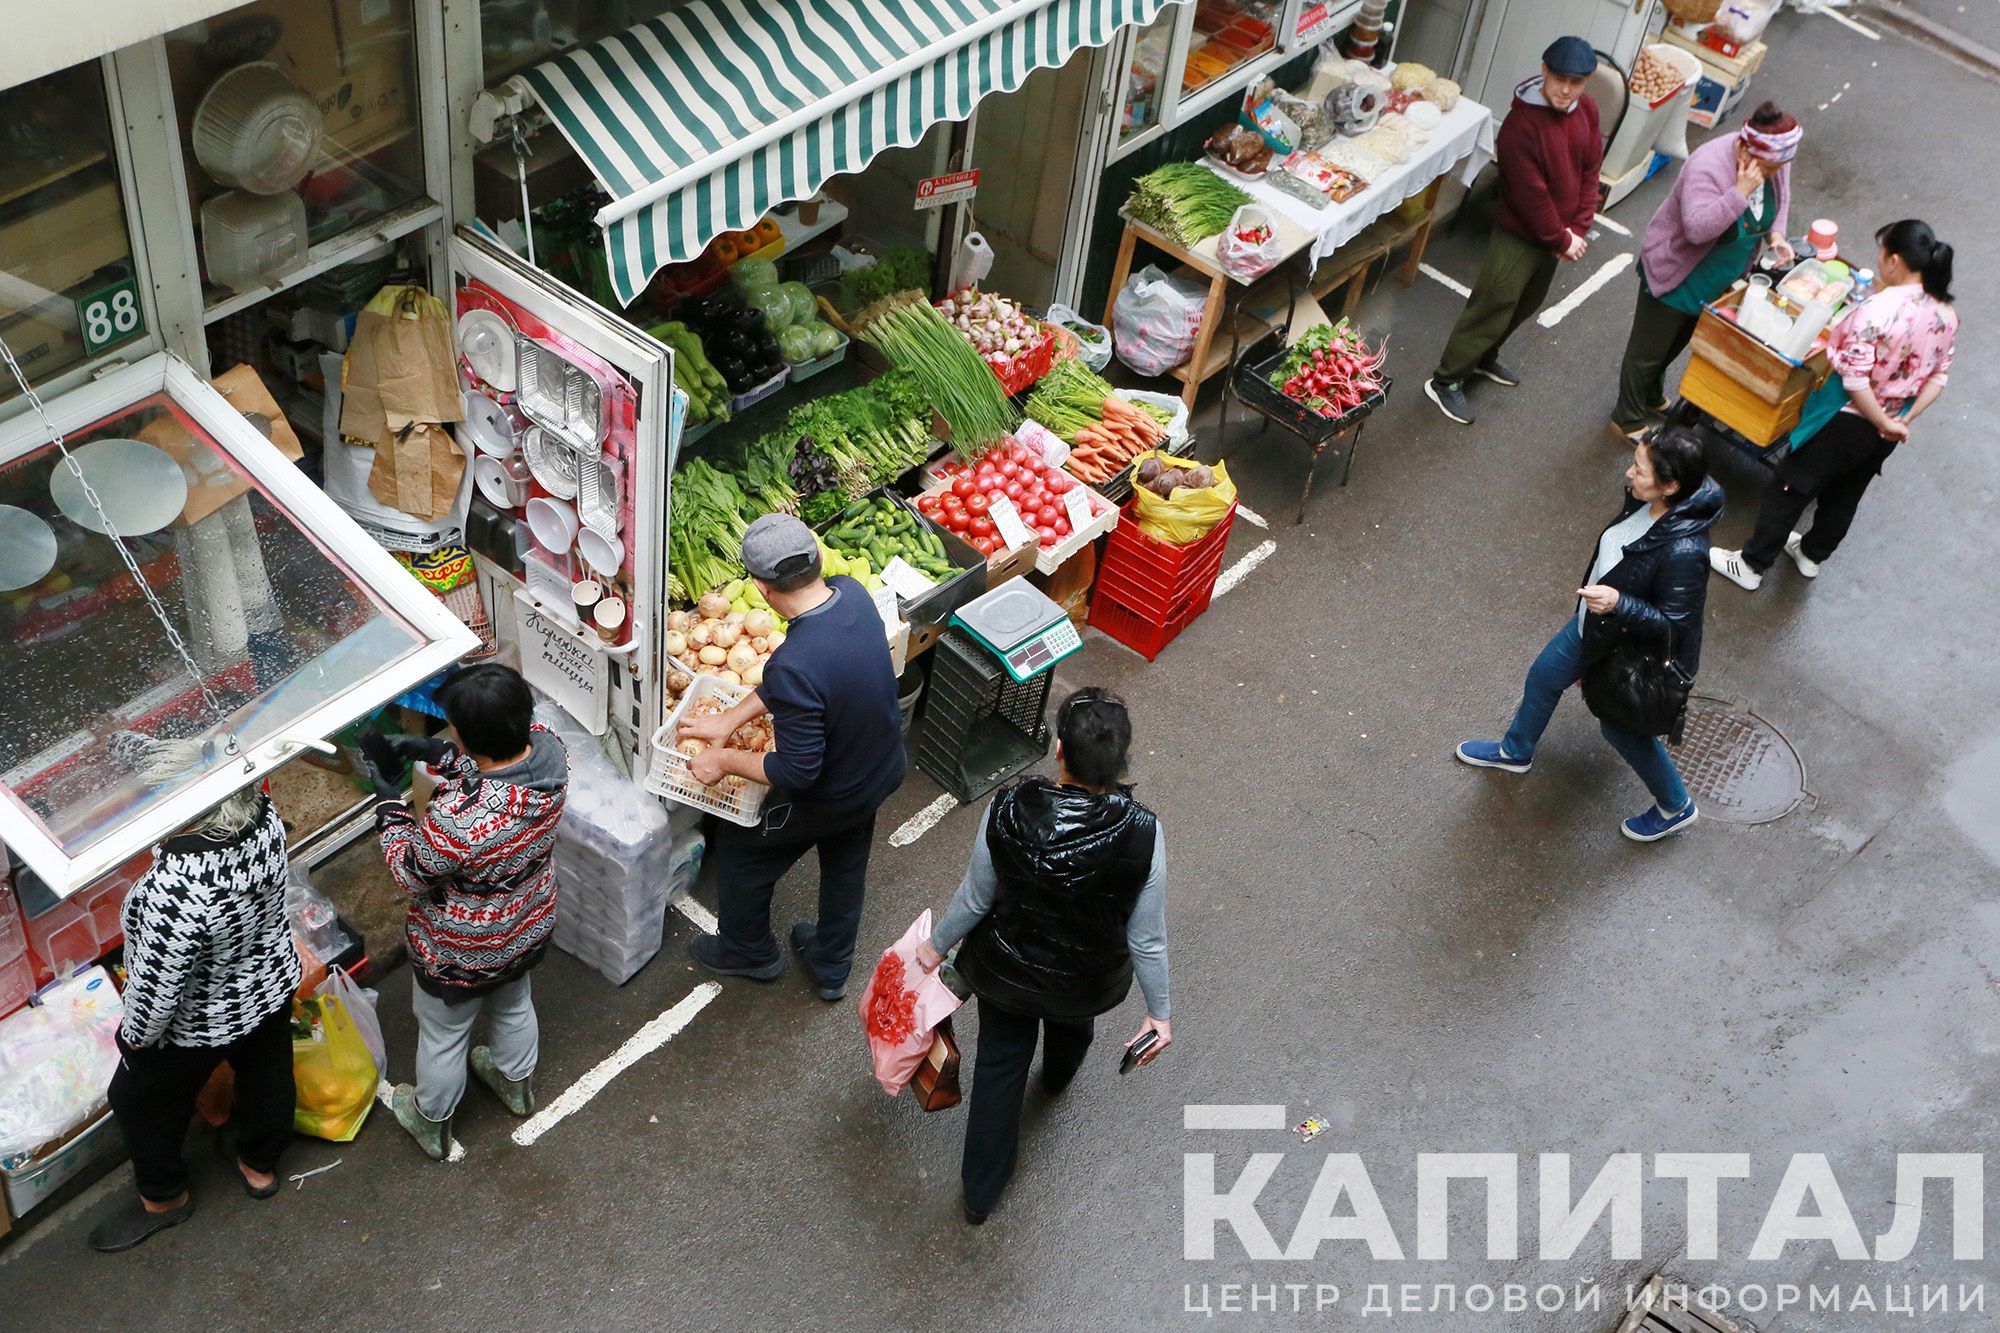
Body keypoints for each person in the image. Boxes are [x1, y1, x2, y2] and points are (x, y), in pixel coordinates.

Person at [914, 688, 1171, 1225]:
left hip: (1003, 971)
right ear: (1122, 761)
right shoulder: (1145, 833)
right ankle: (1057, 1076)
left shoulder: (1007, 806)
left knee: (1000, 1068)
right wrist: (1159, 1014)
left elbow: (976, 898)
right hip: (1085, 982)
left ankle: (980, 1193)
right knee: (1071, 1029)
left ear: (1058, 749)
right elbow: (1146, 938)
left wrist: (934, 948)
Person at [678, 514, 904, 1002]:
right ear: (818, 562)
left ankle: (748, 951)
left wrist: (724, 760)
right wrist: (726, 722)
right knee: (846, 861)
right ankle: (830, 964)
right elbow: (794, 681)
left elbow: (797, 771)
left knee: (742, 854)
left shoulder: (797, 661)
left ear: (760, 587)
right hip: (879, 768)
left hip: (830, 792)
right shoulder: (853, 596)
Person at [1455, 427, 1720, 841]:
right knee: (1544, 676)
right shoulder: (1651, 501)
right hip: (1596, 627)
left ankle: (1676, 806)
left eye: (1640, 469)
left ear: (1670, 486)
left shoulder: (1685, 553)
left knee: (1622, 731)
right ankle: (1515, 752)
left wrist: (1618, 602)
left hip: (1627, 649)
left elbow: (1675, 625)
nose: (1630, 475)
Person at [90, 740, 301, 1253]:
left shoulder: (173, 889)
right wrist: (118, 739)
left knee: (136, 1099)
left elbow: (157, 994)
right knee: (269, 1074)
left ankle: (164, 1199)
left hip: (200, 1023)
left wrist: (135, 1039)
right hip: (270, 982)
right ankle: (260, 1166)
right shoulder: (264, 818)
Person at [365, 663, 567, 1160]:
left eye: (451, 729)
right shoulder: (549, 751)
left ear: (468, 733)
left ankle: (431, 1118)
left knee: (444, 1034)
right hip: (527, 920)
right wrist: (437, 754)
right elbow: (493, 770)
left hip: (462, 948)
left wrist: (389, 802)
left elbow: (412, 870)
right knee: (515, 1002)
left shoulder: (459, 818)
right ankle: (515, 1085)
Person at [1711, 219, 1957, 590]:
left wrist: (1878, 417)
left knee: (1791, 485)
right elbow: (1939, 376)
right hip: (1889, 424)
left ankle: (1751, 564)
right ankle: (1812, 554)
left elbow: (1856, 379)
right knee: (1846, 490)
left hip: (1844, 417)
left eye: (1880, 252)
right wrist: (1898, 421)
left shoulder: (1879, 309)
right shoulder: (1945, 313)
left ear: (1894, 260)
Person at [1425, 36, 1604, 426]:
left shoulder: (1586, 108)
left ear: (1586, 82)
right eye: (1559, 79)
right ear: (1544, 70)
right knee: (1492, 303)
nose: (1566, 90)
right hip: (1520, 235)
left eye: (1576, 83)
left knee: (1527, 302)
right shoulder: (1521, 127)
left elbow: (1592, 170)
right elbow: (1530, 197)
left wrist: (1578, 228)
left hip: (1560, 235)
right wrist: (1563, 239)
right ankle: (1447, 379)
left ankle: (1485, 358)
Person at [1611, 103, 1801, 440]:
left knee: (1677, 342)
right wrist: (1739, 193)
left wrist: (1776, 236)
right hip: (1677, 272)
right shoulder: (1708, 164)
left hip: (1718, 279)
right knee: (1647, 352)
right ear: (1746, 147)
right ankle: (1626, 418)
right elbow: (1697, 229)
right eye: (1770, 166)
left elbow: (1781, 198)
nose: (1775, 173)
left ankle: (1651, 396)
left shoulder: (1775, 163)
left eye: (1779, 166)